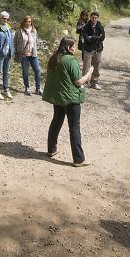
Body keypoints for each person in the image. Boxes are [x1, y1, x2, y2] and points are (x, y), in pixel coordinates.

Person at [42, 37, 93, 166]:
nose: (75, 49)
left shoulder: (54, 58)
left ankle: (51, 149)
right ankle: (78, 159)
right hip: (71, 98)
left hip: (58, 97)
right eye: (74, 46)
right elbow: (79, 81)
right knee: (74, 127)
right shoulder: (70, 60)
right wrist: (89, 73)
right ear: (69, 47)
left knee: (56, 121)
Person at [14, 15, 42, 96]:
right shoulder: (19, 31)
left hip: (33, 54)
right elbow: (15, 42)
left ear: (31, 22)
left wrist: (36, 50)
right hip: (23, 55)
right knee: (25, 71)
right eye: (26, 21)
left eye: (29, 21)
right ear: (24, 22)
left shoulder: (34, 30)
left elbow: (35, 42)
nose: (28, 23)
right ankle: (27, 88)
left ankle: (38, 88)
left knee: (37, 70)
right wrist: (16, 52)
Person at [80, 11, 106, 90]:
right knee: (86, 67)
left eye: (95, 18)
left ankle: (94, 82)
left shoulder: (100, 26)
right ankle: (84, 82)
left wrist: (93, 37)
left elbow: (102, 37)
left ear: (97, 18)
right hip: (88, 49)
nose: (94, 19)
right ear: (90, 17)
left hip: (98, 49)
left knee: (96, 67)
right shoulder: (86, 26)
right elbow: (86, 38)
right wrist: (95, 38)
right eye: (93, 17)